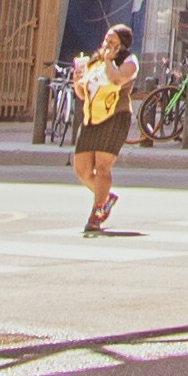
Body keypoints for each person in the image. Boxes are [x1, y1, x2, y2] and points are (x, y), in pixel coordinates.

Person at [65, 24, 140, 234]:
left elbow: (117, 78)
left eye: (113, 42)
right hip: (91, 118)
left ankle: (96, 213)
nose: (107, 45)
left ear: (122, 46)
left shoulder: (129, 61)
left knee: (102, 166)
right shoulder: (94, 62)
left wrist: (109, 60)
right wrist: (78, 81)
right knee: (82, 170)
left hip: (115, 116)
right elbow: (83, 93)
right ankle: (106, 197)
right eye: (106, 40)